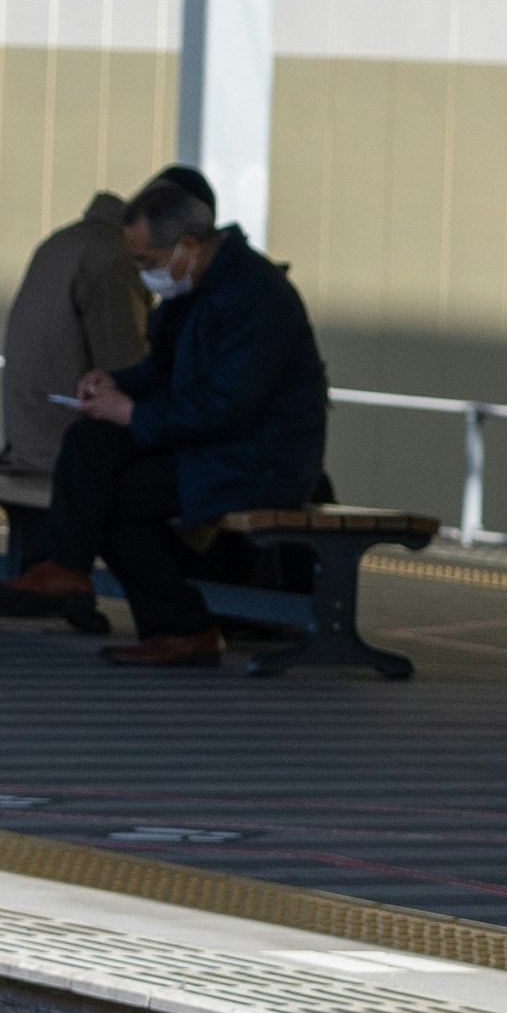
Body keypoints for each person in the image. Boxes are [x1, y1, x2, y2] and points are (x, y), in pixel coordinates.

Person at [50, 165, 329, 667]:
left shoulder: (256, 296)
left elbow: (230, 406)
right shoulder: (189, 289)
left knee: (115, 499)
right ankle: (62, 568)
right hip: (210, 446)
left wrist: (134, 413)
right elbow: (162, 372)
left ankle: (181, 629)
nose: (142, 271)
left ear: (189, 246)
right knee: (92, 441)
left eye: (148, 259)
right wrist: (114, 386)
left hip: (256, 460)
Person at [0, 188, 158, 631]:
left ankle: (59, 570)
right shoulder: (114, 258)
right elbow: (127, 367)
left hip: (27, 437)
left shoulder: (60, 243)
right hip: (62, 446)